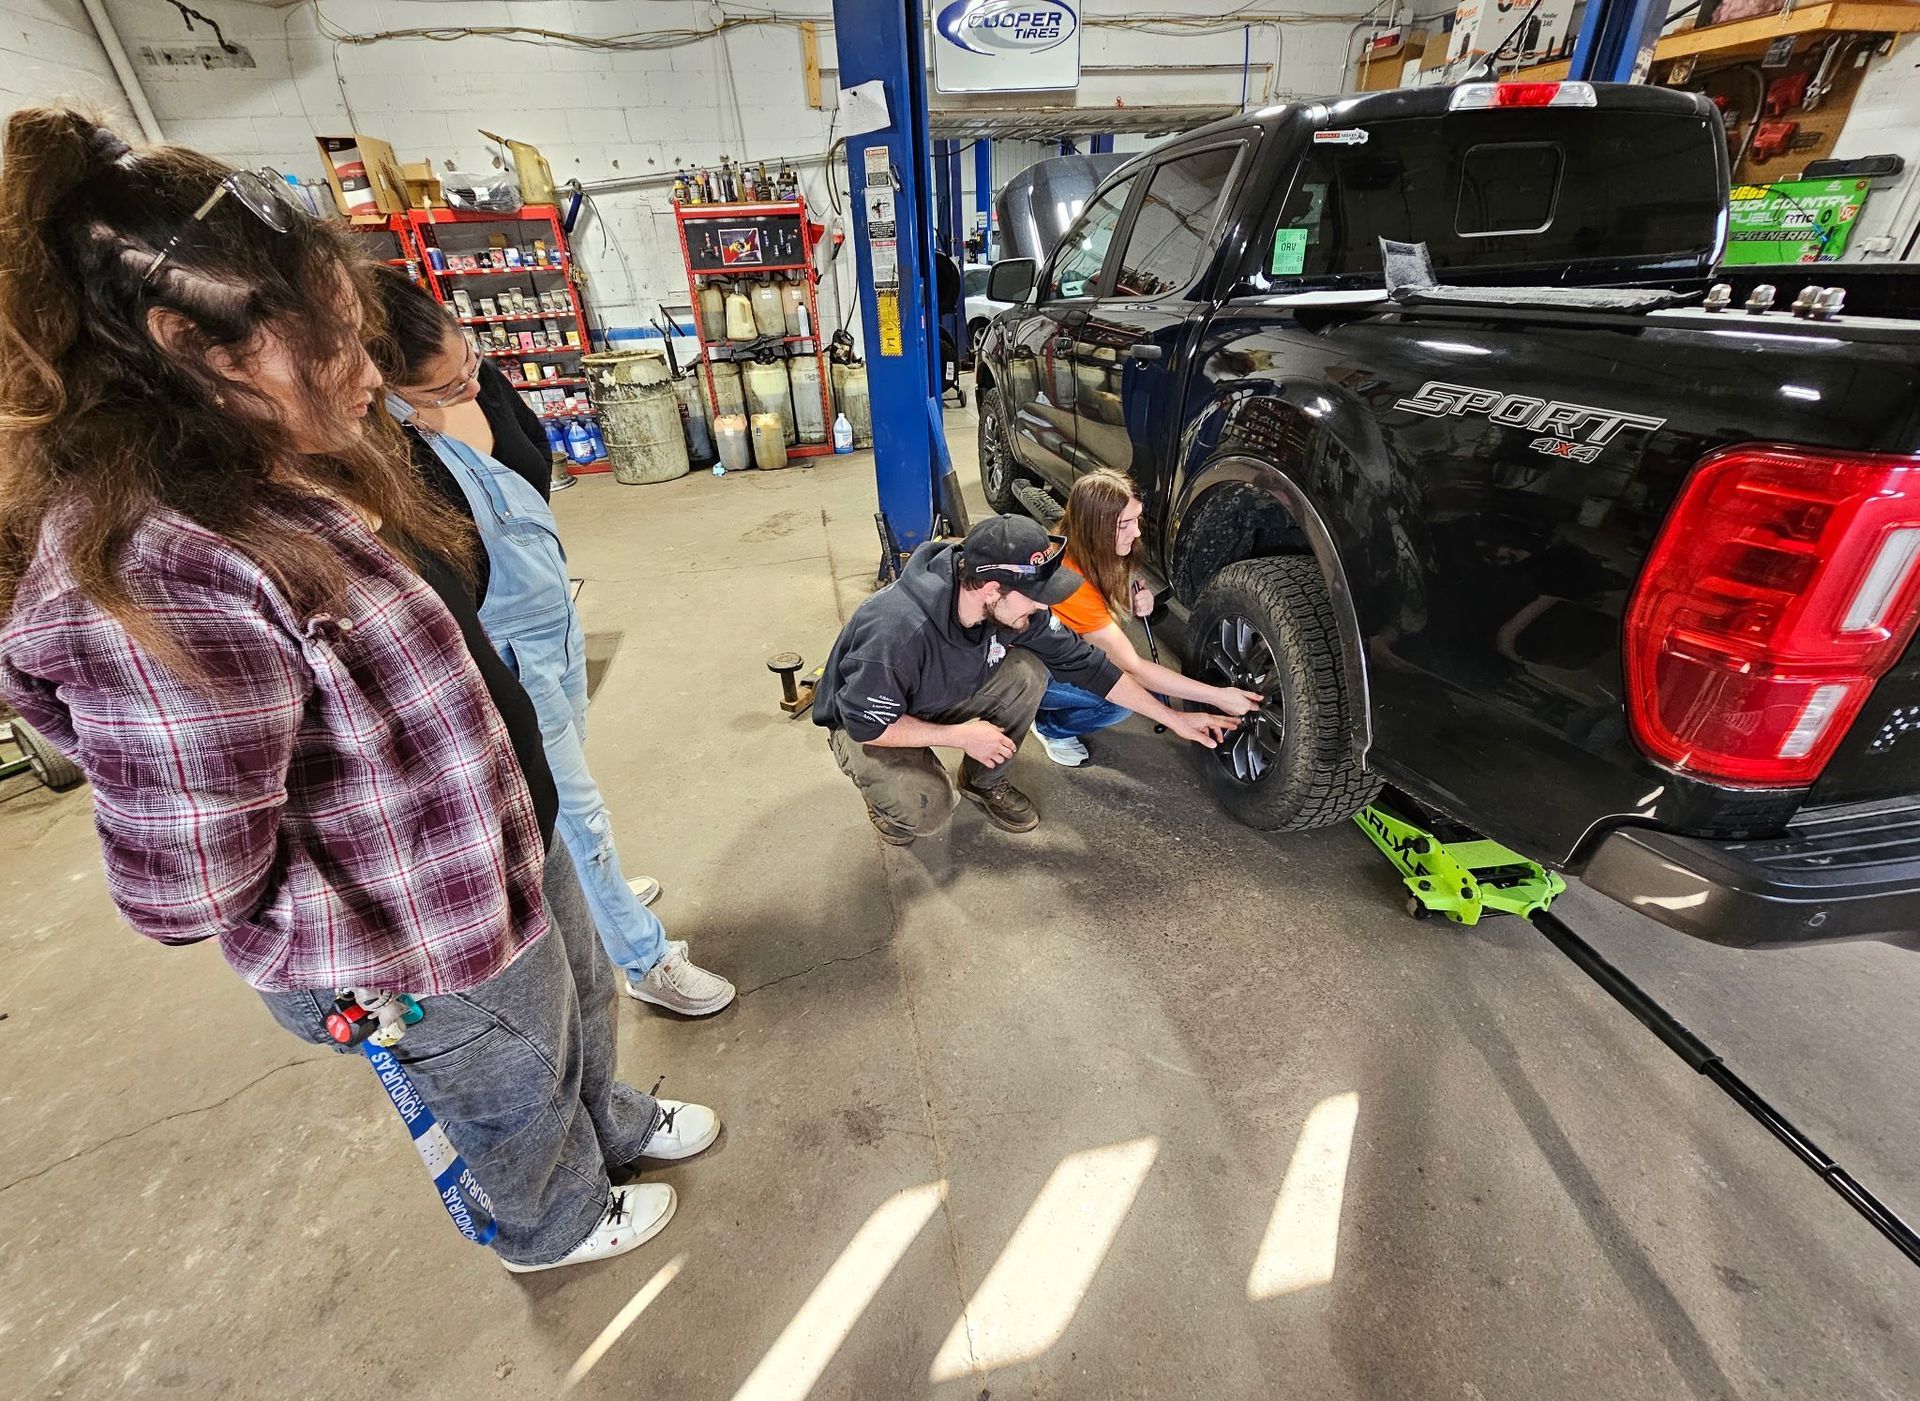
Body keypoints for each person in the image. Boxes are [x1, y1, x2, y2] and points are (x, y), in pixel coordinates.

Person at [0, 110, 716, 1272]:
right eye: (336, 341)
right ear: (201, 346)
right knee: (503, 1085)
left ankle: (610, 1129)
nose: (367, 371)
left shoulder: (266, 460)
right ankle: (554, 1219)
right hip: (408, 932)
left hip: (491, 844)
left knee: (575, 1008)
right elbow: (185, 883)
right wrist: (346, 934)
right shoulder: (166, 573)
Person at [367, 269, 734, 1018]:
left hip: (551, 619)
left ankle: (594, 893)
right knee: (578, 807)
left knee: (572, 807)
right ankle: (641, 956)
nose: (469, 391)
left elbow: (531, 458)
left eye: (468, 366)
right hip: (503, 647)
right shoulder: (390, 459)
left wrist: (469, 383)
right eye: (443, 390)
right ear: (385, 392)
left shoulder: (479, 383)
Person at [813, 514, 1243, 843]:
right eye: (1036, 597)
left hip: (934, 692)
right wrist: (963, 736)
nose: (1043, 608)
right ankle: (884, 803)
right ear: (989, 588)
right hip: (869, 721)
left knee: (1027, 672)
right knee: (924, 810)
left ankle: (981, 781)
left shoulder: (1012, 610)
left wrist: (1176, 719)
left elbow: (1094, 668)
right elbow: (869, 725)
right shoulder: (897, 632)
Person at [1034, 469, 1266, 766]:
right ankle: (1048, 725)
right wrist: (1218, 695)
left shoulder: (1084, 541)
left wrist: (1129, 595)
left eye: (1137, 519)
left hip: (1062, 645)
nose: (1137, 532)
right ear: (1094, 527)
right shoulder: (1071, 583)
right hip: (1030, 670)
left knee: (1135, 691)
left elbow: (1111, 580)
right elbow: (1134, 669)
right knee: (1118, 702)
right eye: (1125, 524)